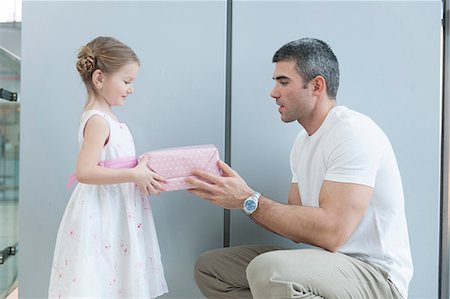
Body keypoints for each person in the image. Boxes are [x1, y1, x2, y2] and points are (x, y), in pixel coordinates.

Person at [187, 38, 413, 299]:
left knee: (269, 270)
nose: (274, 92)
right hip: (329, 267)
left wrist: (249, 199)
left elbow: (332, 233)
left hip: (376, 278)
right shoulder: (302, 144)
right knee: (212, 269)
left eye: (283, 82)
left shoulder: (352, 132)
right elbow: (297, 228)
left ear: (317, 85)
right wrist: (241, 201)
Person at [48, 36, 168, 298]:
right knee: (100, 273)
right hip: (103, 208)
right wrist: (134, 173)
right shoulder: (98, 121)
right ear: (99, 79)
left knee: (114, 273)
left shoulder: (108, 119)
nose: (131, 89)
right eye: (127, 81)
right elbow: (85, 171)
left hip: (117, 206)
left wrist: (139, 166)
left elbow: (111, 161)